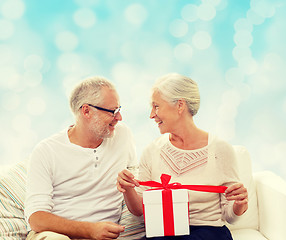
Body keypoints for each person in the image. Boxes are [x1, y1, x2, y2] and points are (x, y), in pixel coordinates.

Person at [117, 73, 248, 240]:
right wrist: (128, 189)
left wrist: (239, 204)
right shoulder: (152, 150)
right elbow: (139, 211)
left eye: (156, 106)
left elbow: (230, 216)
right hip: (165, 232)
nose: (151, 115)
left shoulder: (220, 150)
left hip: (208, 233)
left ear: (180, 106)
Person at [25, 76, 137, 240]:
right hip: (57, 235)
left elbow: (136, 182)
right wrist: (90, 230)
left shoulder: (122, 135)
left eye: (119, 109)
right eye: (113, 111)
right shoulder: (47, 151)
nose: (119, 118)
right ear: (86, 111)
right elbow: (36, 218)